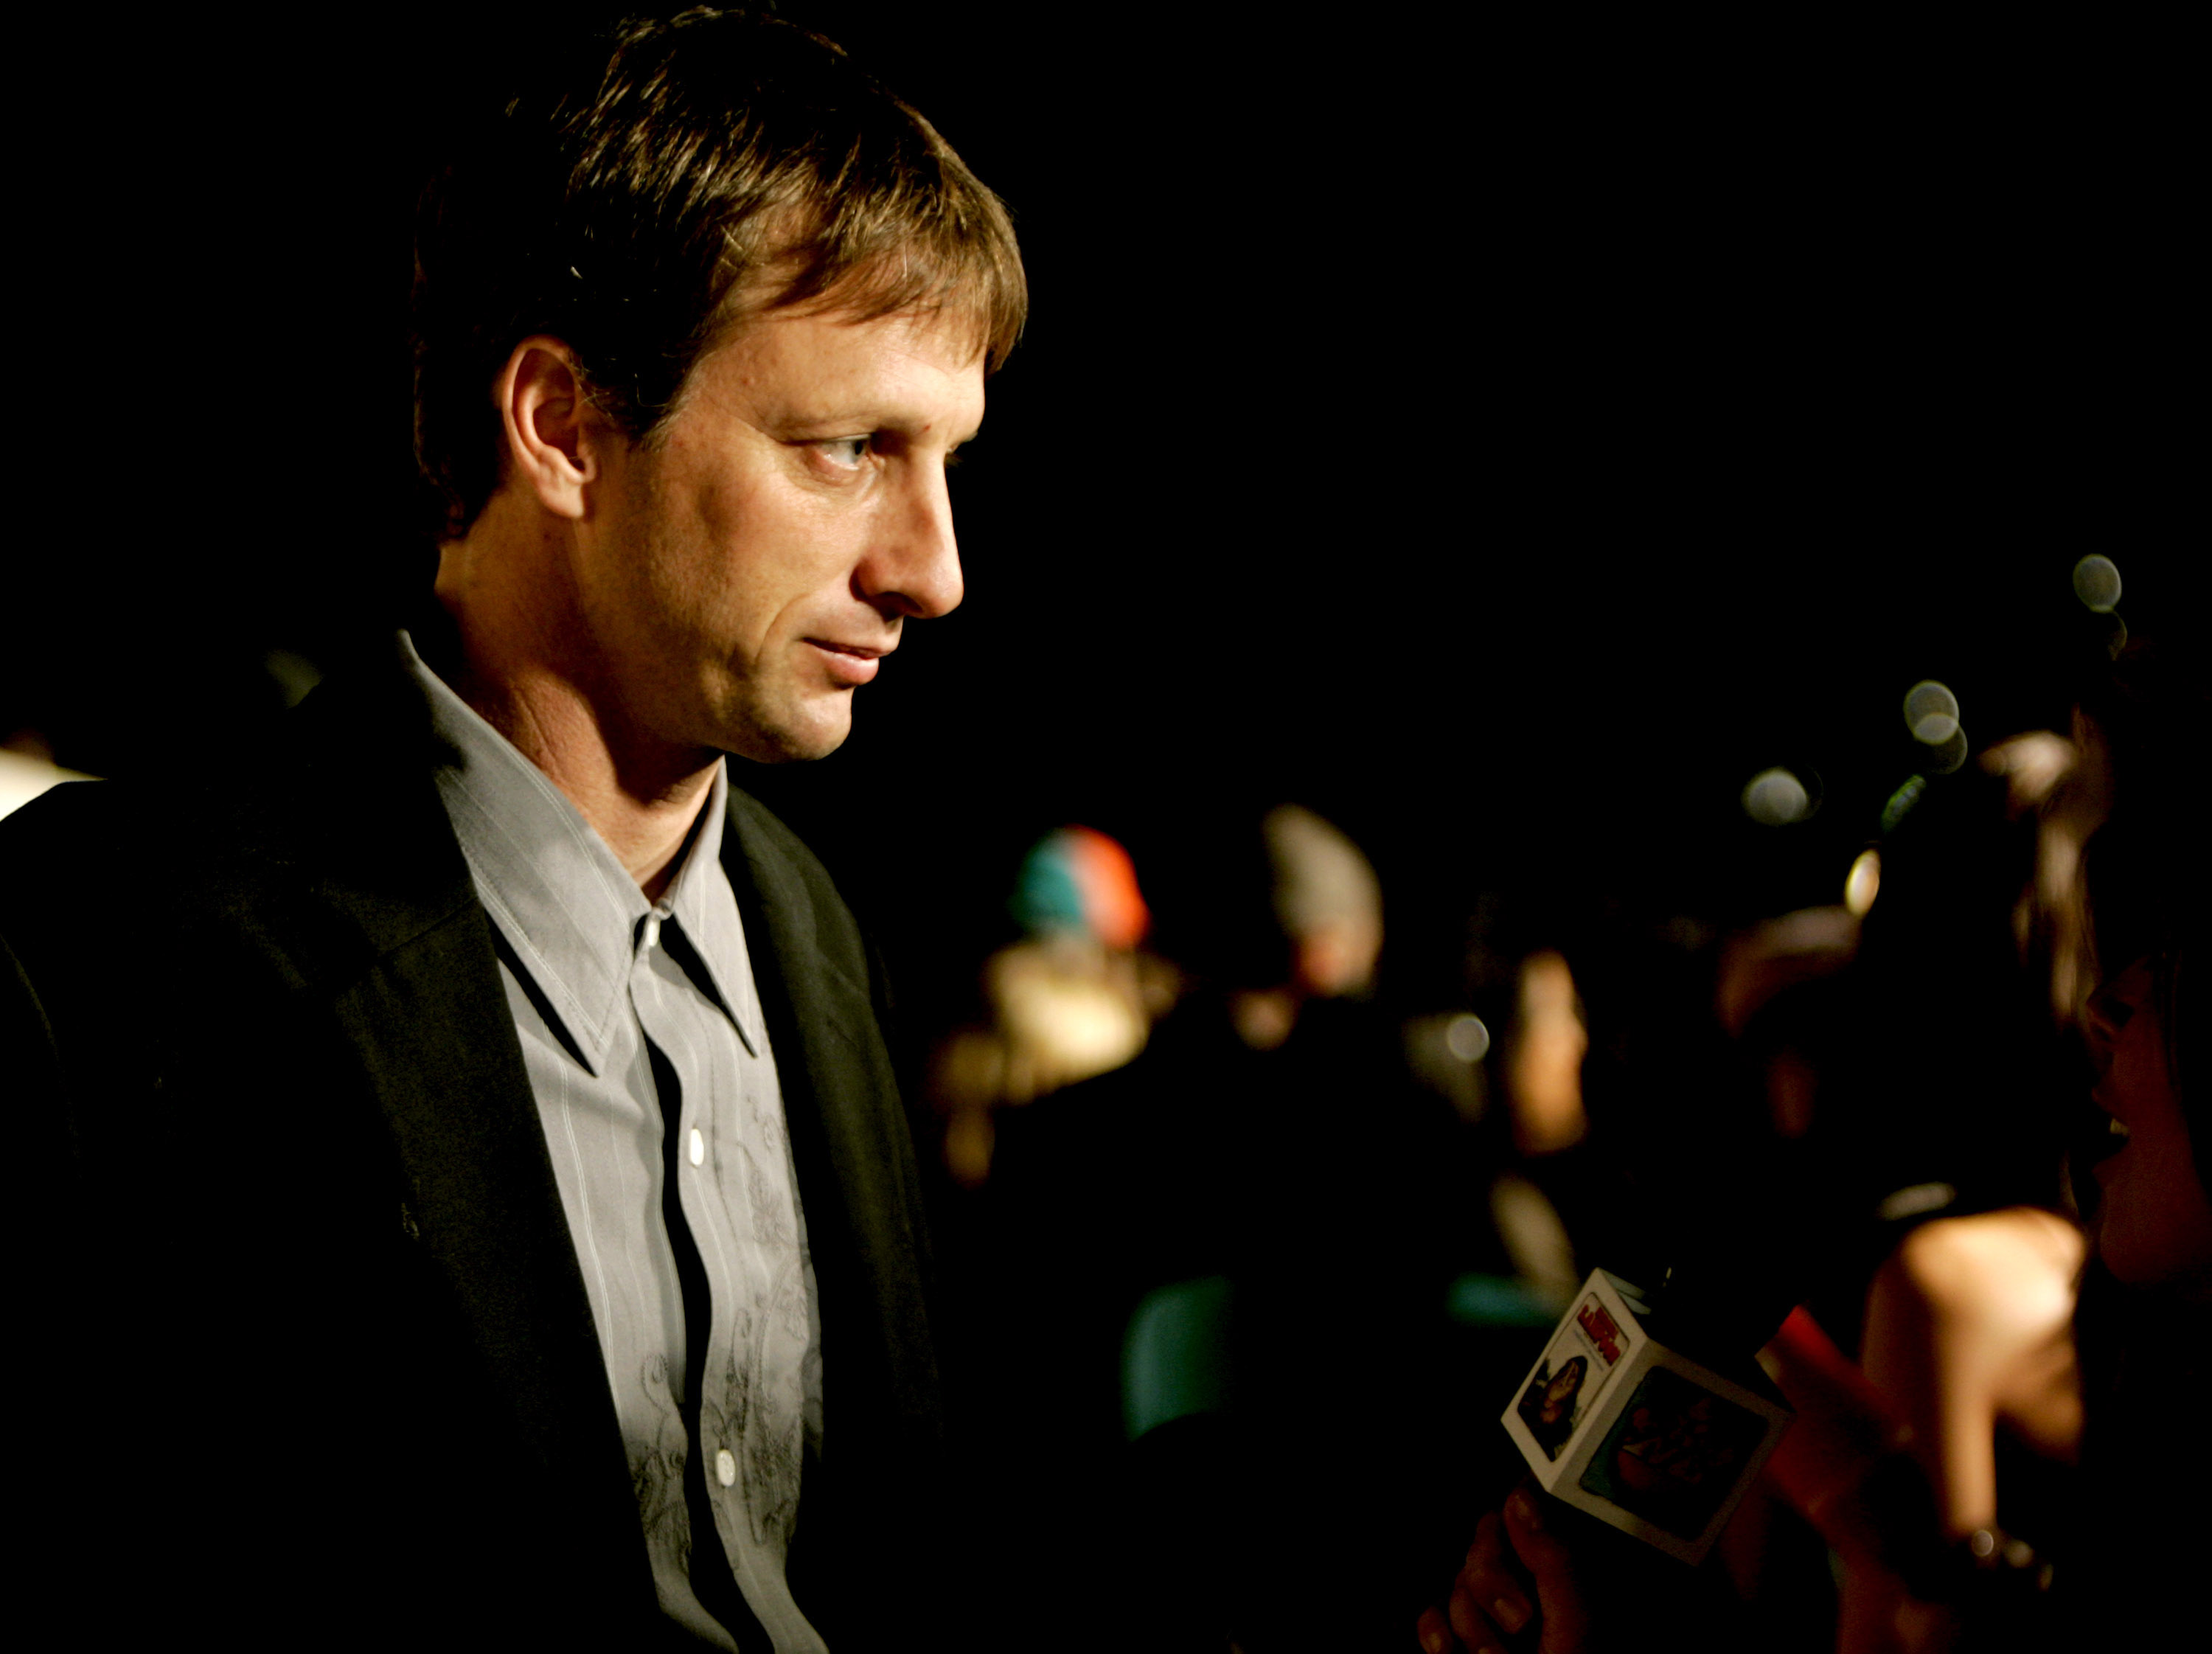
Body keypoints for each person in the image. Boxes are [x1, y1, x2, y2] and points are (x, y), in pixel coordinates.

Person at [0, 11, 1022, 1649]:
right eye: (850, 450)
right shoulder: (106, 959)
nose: (934, 567)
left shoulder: (810, 925)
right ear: (560, 426)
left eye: (950, 462)